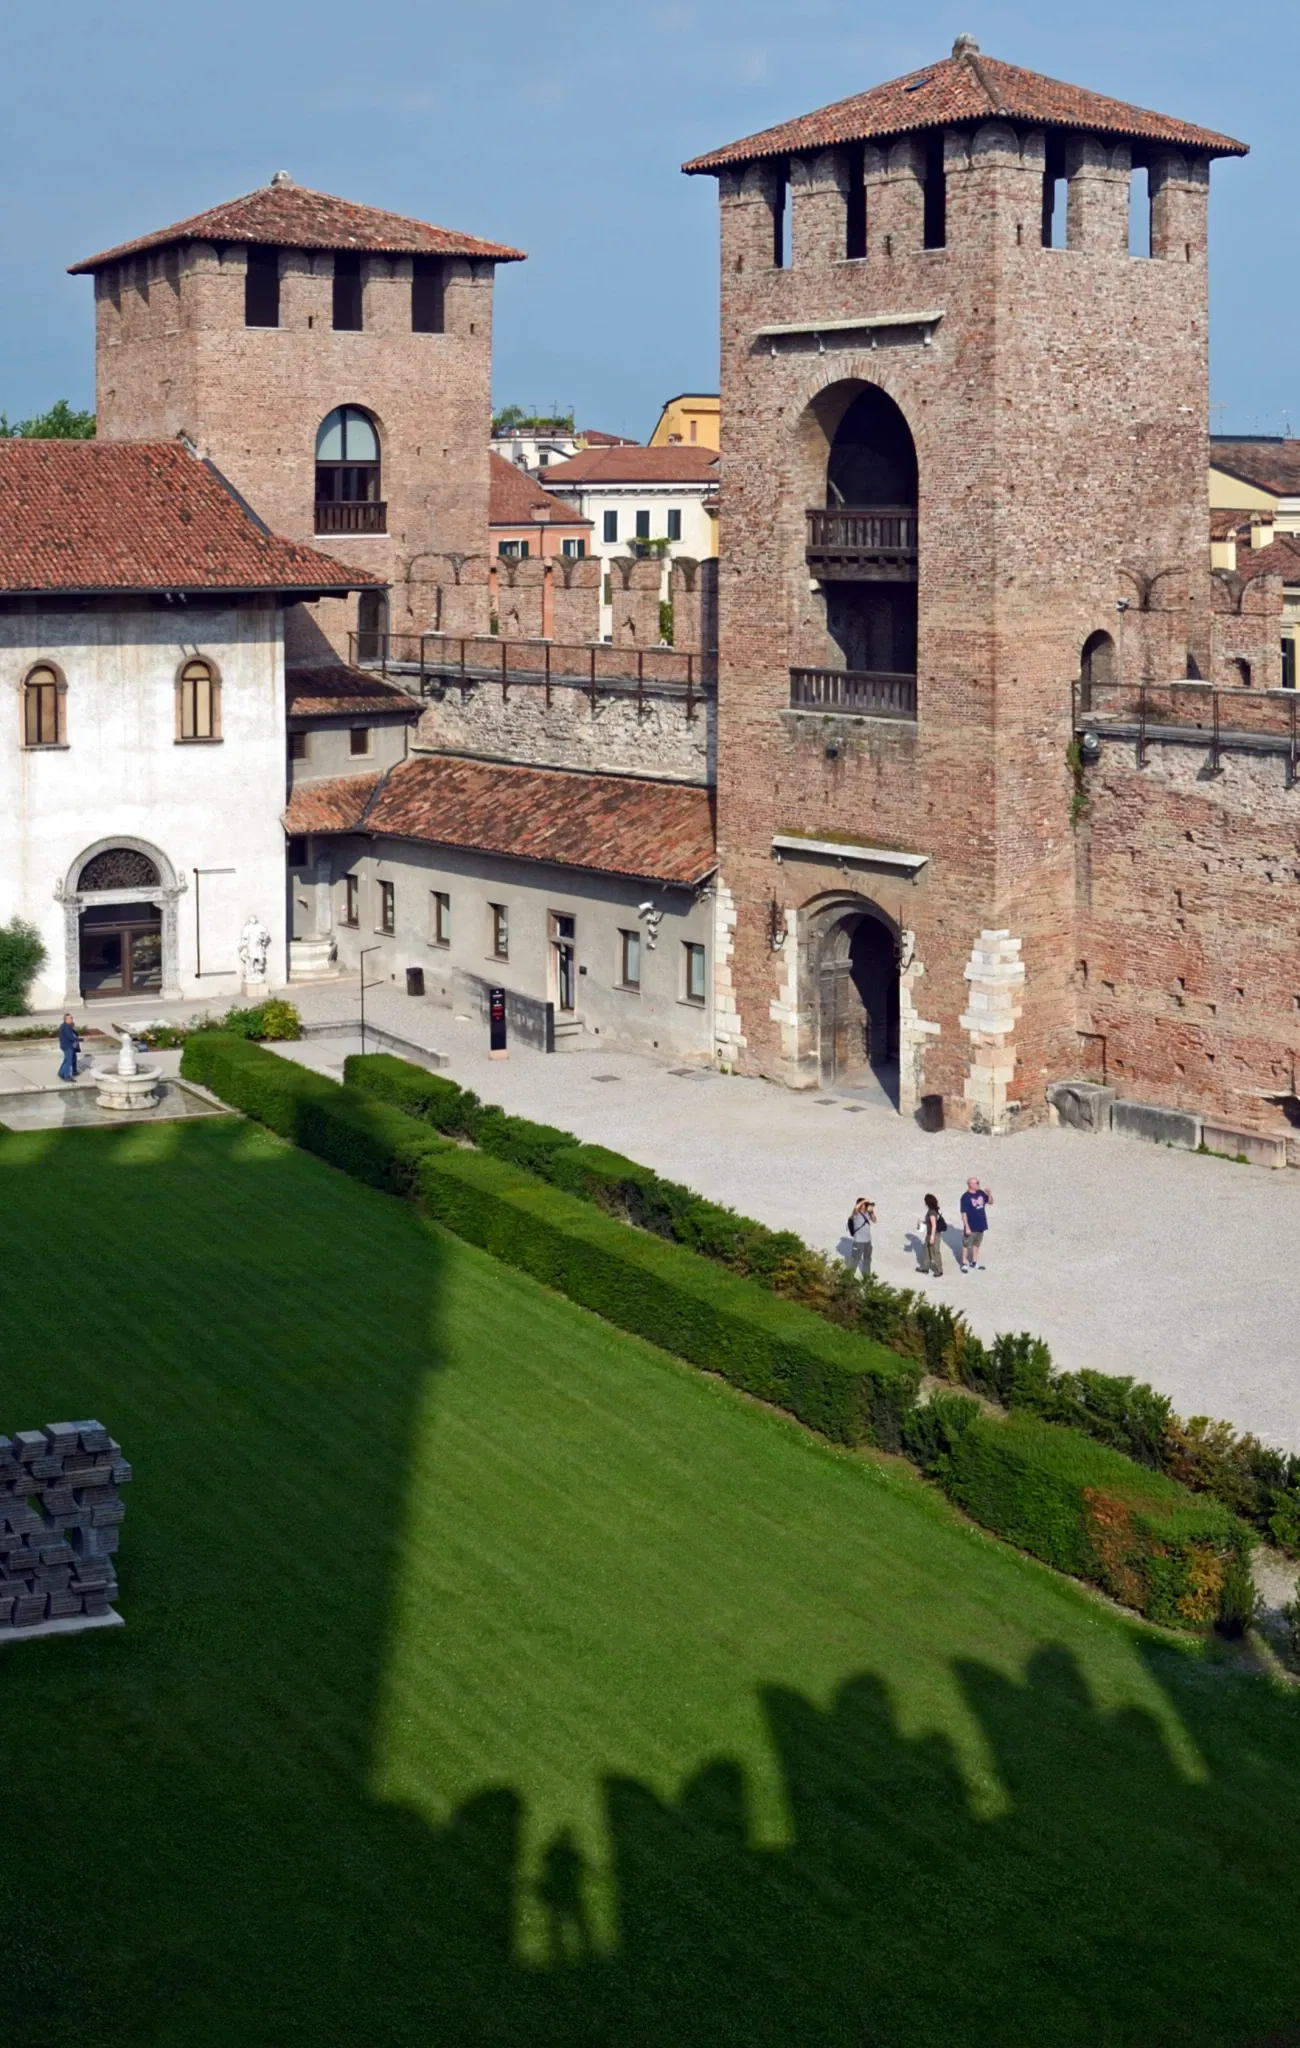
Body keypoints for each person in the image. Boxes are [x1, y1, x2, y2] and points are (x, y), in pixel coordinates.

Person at [959, 1177, 993, 1271]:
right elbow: (963, 1213)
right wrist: (966, 1227)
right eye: (976, 1183)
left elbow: (990, 1202)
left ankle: (974, 1262)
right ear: (970, 1184)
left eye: (978, 1182)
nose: (978, 1184)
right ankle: (964, 1263)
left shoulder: (981, 1193)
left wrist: (989, 1194)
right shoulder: (965, 1197)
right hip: (971, 1225)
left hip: (981, 1224)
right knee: (966, 1244)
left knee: (976, 1244)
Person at [845, 1197, 875, 1277]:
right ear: (861, 1205)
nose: (866, 1205)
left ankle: (866, 1277)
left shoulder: (867, 1213)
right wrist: (864, 1201)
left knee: (867, 1260)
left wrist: (871, 1212)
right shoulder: (856, 1214)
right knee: (854, 1260)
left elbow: (874, 1220)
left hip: (868, 1242)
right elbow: (855, 1208)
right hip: (858, 1242)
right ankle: (848, 1277)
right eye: (864, 1204)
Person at [918, 1192, 945, 1277]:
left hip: (933, 1235)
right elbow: (931, 1223)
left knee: (935, 1252)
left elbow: (934, 1225)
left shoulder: (932, 1212)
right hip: (930, 1234)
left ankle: (939, 1270)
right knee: (926, 1251)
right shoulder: (932, 1211)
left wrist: (932, 1237)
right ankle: (925, 1267)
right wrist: (923, 1222)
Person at [56, 1013, 80, 1084]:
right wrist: (79, 1039)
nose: (72, 1019)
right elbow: (70, 1037)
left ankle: (61, 1073)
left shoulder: (65, 1026)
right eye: (70, 1018)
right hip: (68, 1046)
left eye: (72, 1018)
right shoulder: (66, 1027)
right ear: (66, 1019)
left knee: (66, 1060)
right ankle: (66, 1076)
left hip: (66, 1046)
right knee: (68, 1062)